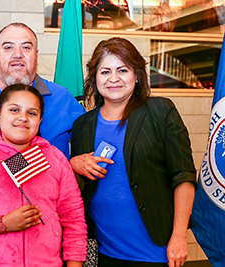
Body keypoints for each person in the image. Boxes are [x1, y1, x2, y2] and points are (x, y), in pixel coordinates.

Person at [70, 37, 196, 267]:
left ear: (136, 75)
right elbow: (74, 188)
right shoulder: (82, 125)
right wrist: (72, 164)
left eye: (122, 70)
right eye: (105, 71)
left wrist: (179, 235)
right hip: (103, 253)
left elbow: (183, 176)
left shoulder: (160, 111)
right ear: (95, 78)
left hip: (157, 252)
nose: (113, 79)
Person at [0, 84, 87, 266]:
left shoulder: (55, 159)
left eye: (32, 113)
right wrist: (4, 223)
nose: (23, 118)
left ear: (40, 120)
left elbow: (74, 220)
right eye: (14, 110)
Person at [0, 22, 85, 159]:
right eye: (8, 47)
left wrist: (75, 163)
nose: (17, 54)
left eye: (26, 47)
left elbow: (93, 137)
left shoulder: (62, 99)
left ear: (36, 56)